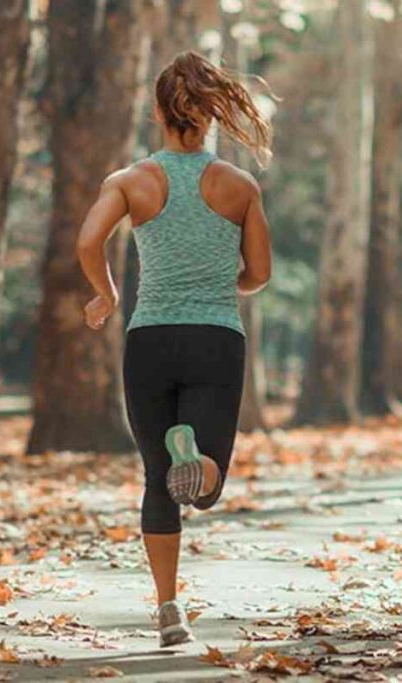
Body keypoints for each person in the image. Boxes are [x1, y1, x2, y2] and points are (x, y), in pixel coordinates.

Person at [75, 50, 273, 647]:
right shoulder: (239, 186)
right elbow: (259, 272)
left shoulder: (132, 181)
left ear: (158, 111)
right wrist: (219, 284)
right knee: (204, 486)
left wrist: (106, 294)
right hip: (215, 338)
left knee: (157, 477)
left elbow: (89, 241)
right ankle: (202, 459)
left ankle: (168, 612)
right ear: (212, 115)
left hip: (150, 338)